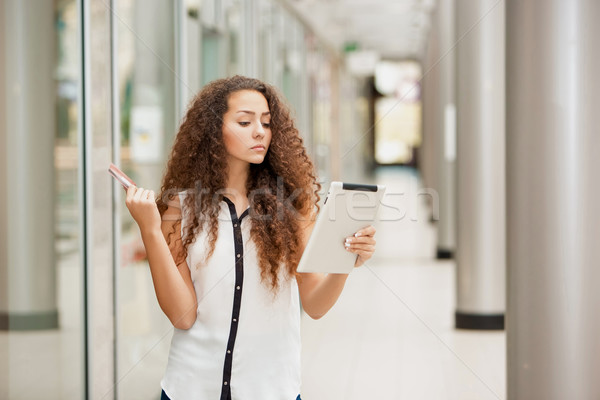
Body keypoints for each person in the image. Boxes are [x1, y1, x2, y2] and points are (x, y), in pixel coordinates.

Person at [124, 75, 377, 400]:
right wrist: (150, 230)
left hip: (272, 389)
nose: (260, 131)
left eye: (267, 123)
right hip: (191, 388)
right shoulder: (180, 206)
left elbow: (314, 304)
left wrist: (345, 262)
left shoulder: (292, 207)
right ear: (213, 130)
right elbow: (182, 315)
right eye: (245, 121)